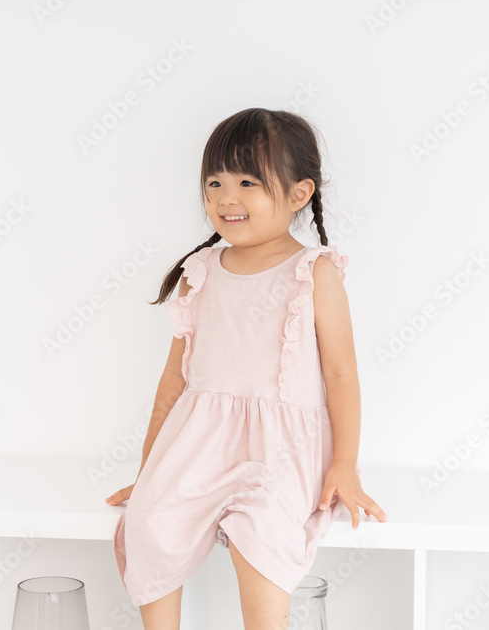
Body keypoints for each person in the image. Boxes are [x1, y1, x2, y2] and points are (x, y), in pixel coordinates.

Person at [105, 107, 386, 629]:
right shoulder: (200, 274)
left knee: (262, 533)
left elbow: (342, 377)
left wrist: (344, 465)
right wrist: (149, 472)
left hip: (283, 448)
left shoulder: (314, 273)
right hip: (200, 441)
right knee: (151, 523)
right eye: (214, 183)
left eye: (247, 182)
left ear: (299, 194)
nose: (225, 198)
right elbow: (173, 381)